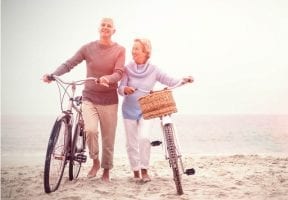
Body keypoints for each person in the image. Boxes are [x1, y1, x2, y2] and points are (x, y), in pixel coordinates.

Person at [42, 17, 125, 182]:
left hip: (109, 100)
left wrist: (108, 78)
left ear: (113, 30)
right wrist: (53, 75)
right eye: (103, 25)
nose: (105, 27)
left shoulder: (119, 50)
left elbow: (119, 73)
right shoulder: (88, 48)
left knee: (108, 138)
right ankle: (95, 161)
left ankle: (106, 171)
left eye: (109, 26)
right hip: (90, 97)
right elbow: (69, 63)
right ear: (98, 28)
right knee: (91, 130)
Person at [118, 38, 193, 182]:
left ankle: (144, 170)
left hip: (147, 110)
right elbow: (120, 88)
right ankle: (135, 171)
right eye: (132, 48)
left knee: (144, 138)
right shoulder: (127, 69)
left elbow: (170, 81)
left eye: (137, 49)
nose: (133, 51)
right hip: (128, 110)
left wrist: (183, 80)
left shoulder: (154, 69)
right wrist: (125, 89)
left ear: (146, 52)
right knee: (131, 143)